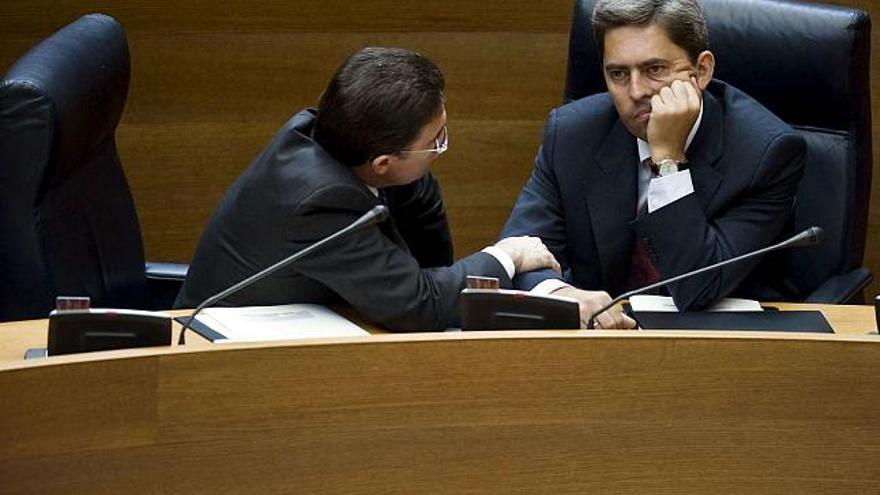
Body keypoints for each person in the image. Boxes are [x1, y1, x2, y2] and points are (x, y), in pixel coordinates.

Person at [175, 47, 561, 331]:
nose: (442, 149)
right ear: (382, 164)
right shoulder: (322, 203)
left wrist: (413, 175)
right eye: (436, 141)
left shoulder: (337, 137)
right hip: (222, 349)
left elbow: (427, 264)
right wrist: (507, 255)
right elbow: (421, 306)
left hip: (309, 323)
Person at [500, 0, 805, 329]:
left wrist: (668, 160)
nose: (636, 91)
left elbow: (697, 288)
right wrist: (561, 292)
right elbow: (522, 251)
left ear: (701, 71)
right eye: (618, 74)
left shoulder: (766, 153)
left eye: (654, 70)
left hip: (720, 345)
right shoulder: (572, 134)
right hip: (599, 345)